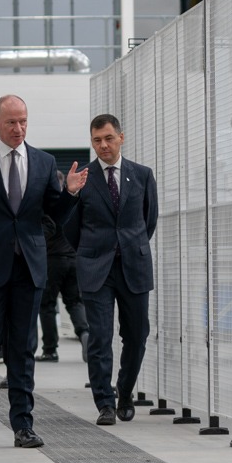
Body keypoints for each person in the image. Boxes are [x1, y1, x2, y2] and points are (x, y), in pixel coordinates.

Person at [0, 95, 86, 447]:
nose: (18, 128)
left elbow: (54, 213)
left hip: (30, 266)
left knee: (23, 348)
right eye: (11, 122)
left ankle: (23, 424)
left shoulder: (43, 161)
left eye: (23, 121)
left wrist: (69, 194)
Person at [65, 114, 158, 425]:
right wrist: (90, 251)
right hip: (96, 268)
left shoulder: (142, 175)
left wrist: (130, 245)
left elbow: (149, 220)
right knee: (100, 338)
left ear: (121, 137)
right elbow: (69, 226)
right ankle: (105, 402)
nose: (103, 145)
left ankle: (125, 391)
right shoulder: (83, 178)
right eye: (97, 140)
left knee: (137, 335)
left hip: (134, 266)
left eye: (108, 138)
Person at [38, 214, 87, 363]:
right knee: (75, 302)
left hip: (53, 259)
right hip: (73, 257)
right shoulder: (71, 205)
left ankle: (50, 350)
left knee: (46, 304)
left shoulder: (49, 207)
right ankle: (84, 333)